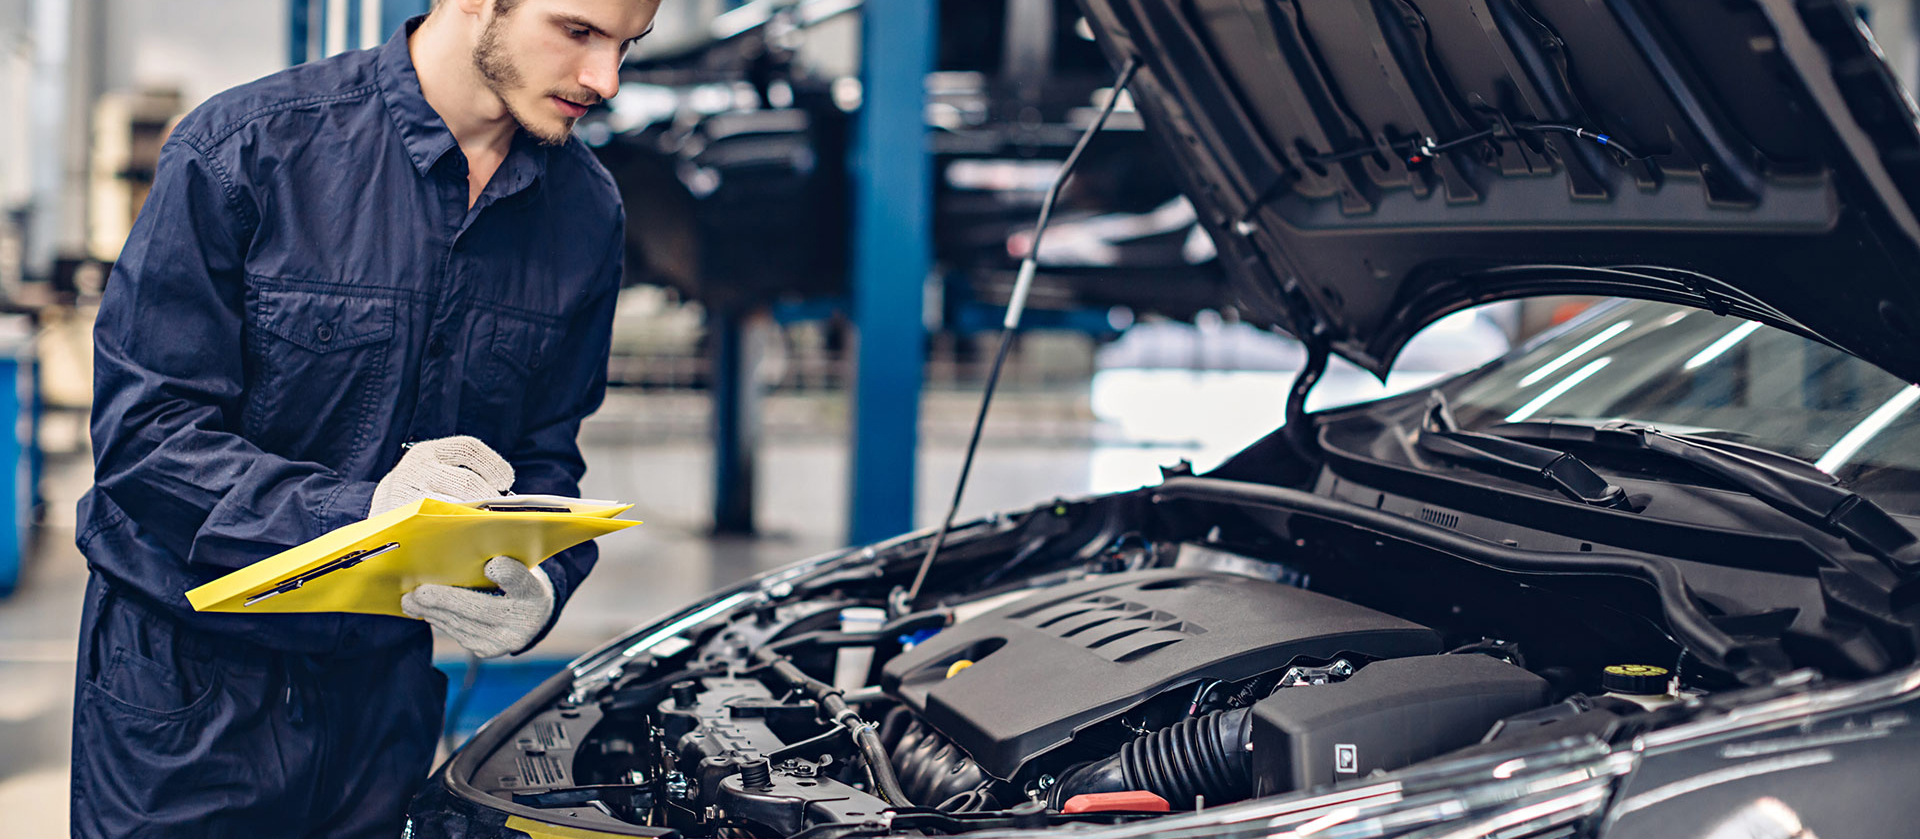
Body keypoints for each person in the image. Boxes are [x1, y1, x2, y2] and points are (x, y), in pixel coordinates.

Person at [71, 0, 657, 834]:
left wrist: (544, 581)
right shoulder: (246, 150)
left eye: (628, 46)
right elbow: (145, 437)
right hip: (191, 695)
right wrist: (366, 516)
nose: (606, 80)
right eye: (578, 32)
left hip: (383, 694)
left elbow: (545, 456)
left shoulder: (586, 213)